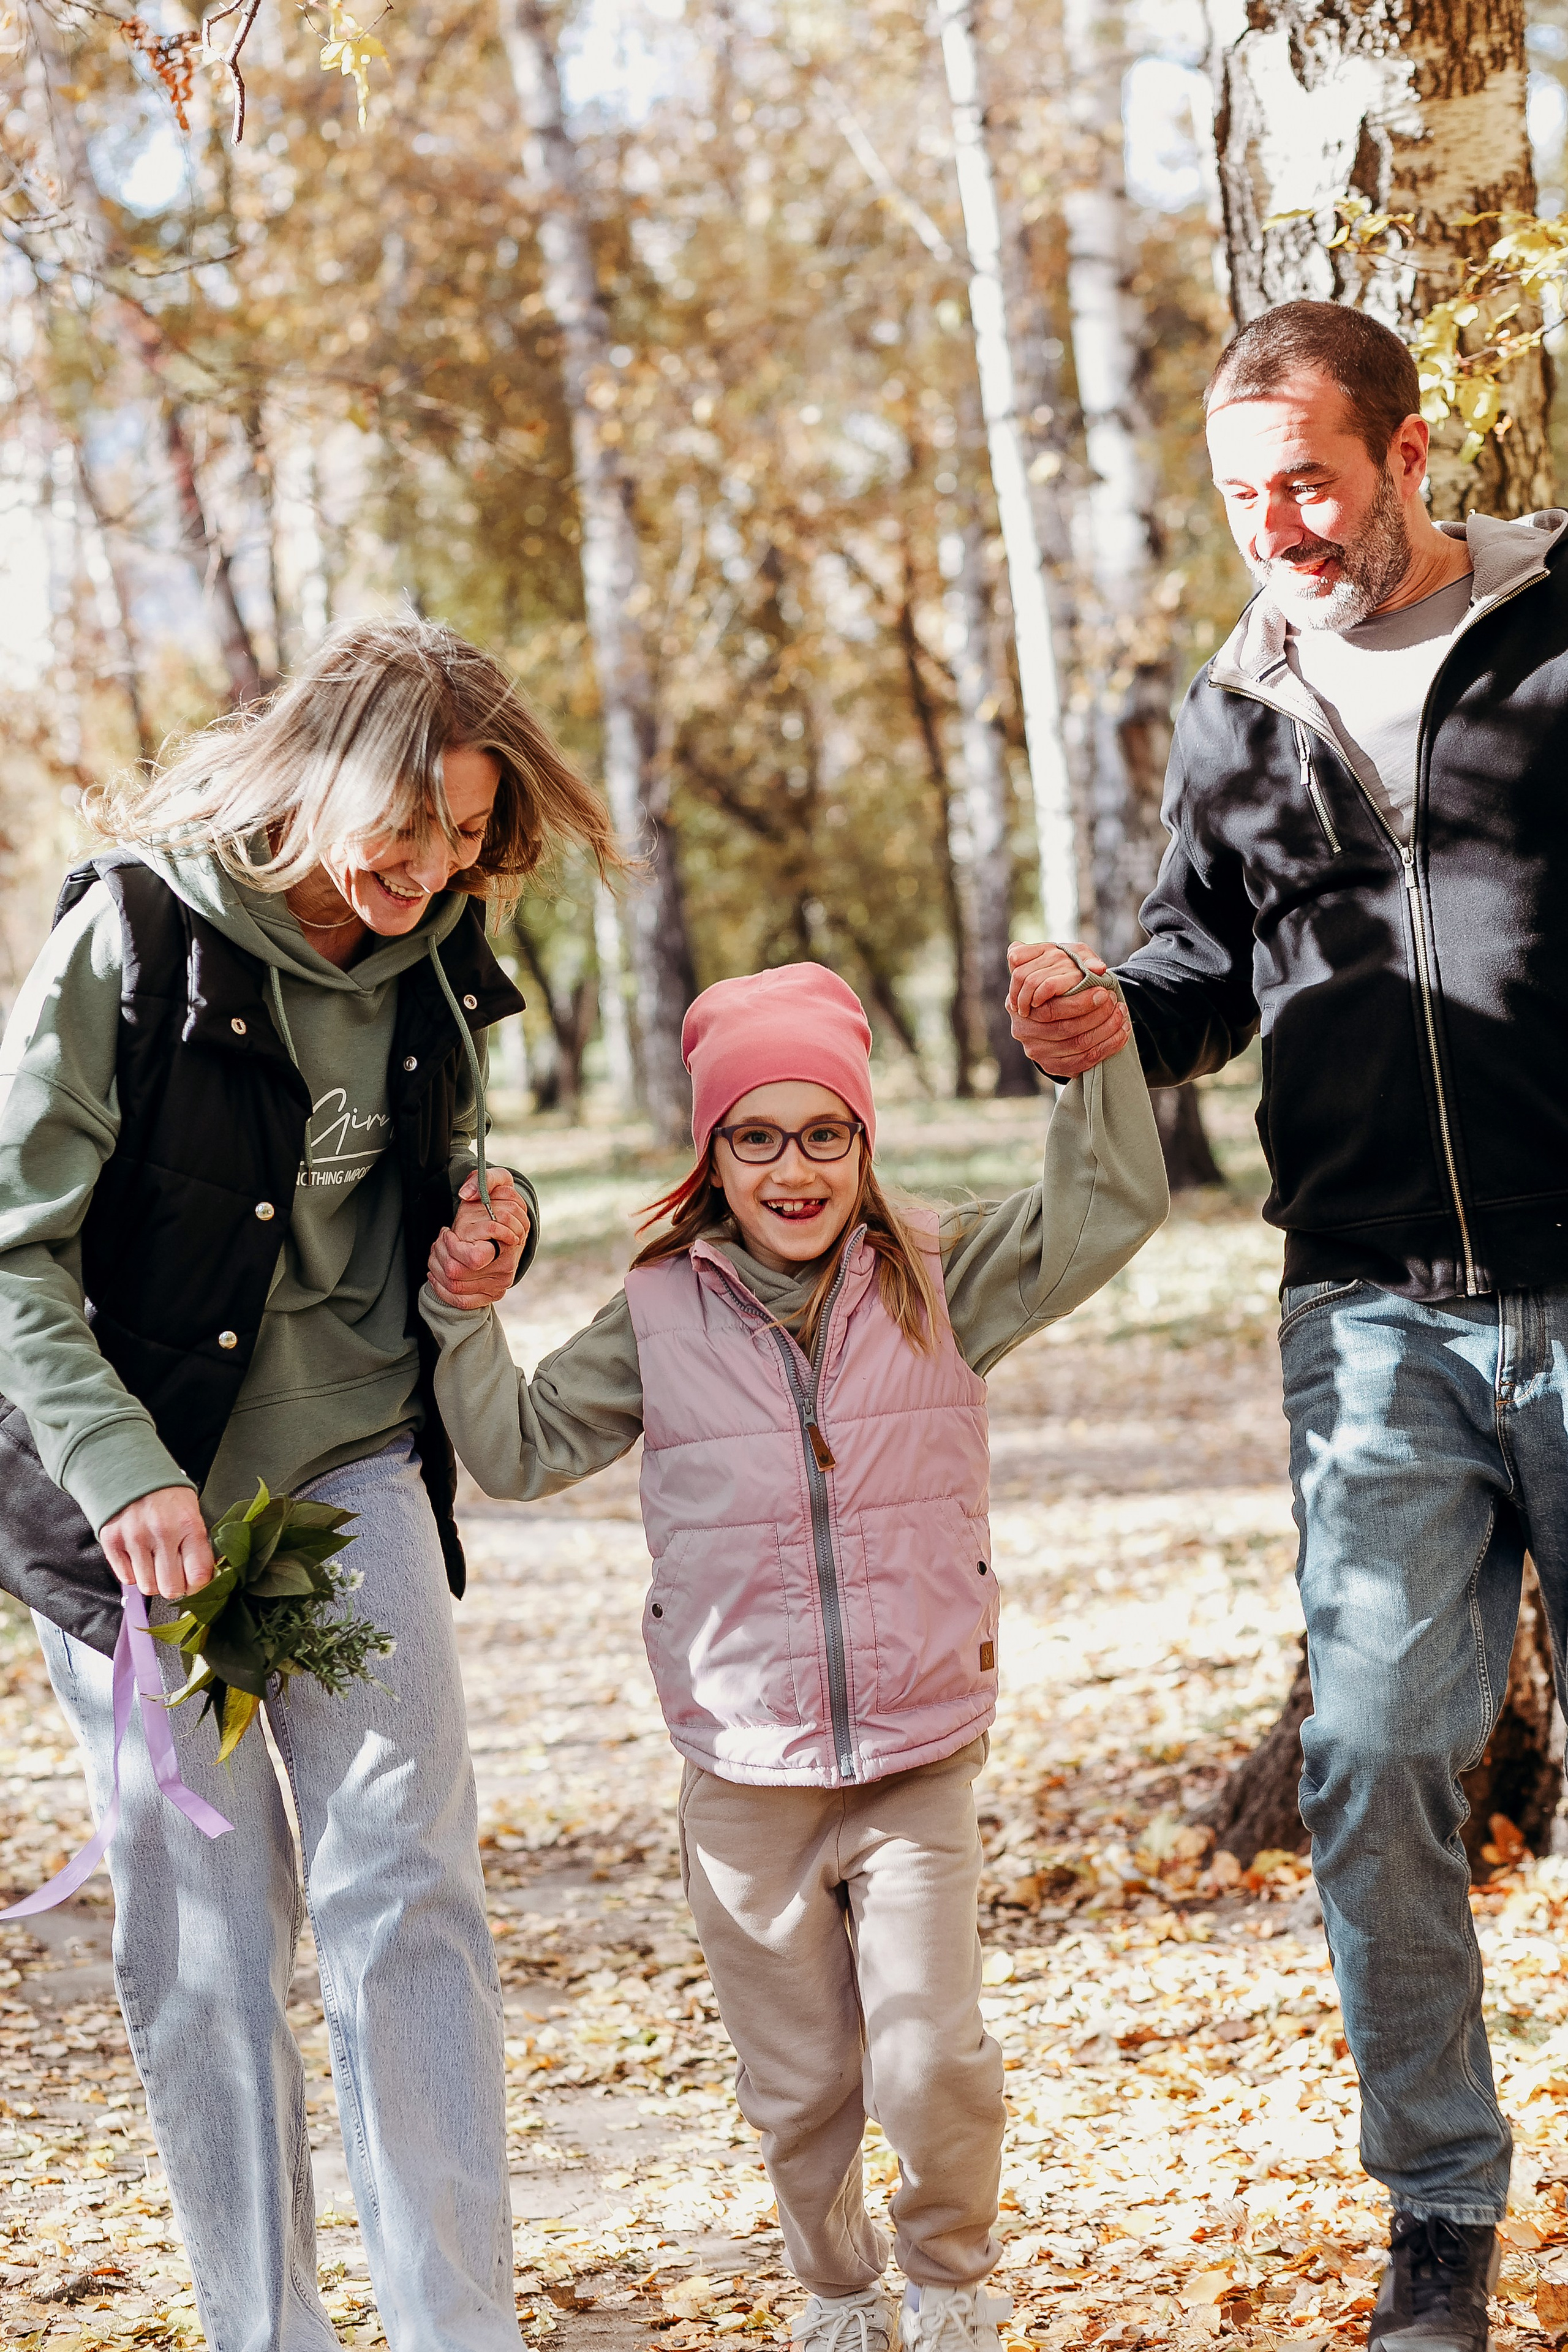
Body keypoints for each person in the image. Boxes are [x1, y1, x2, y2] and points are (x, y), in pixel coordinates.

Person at [1006, 296, 1568, 2352]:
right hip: (1370, 1320)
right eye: (1248, 498)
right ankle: (1440, 2212)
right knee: (1375, 1754)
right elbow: (1199, 967)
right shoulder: (1235, 712)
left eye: (1313, 480)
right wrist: (1112, 1019)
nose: (1283, 525)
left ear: (1417, 454)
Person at [0, 616, 615, 2352]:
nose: (427, 874)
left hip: (352, 1463)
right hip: (139, 1507)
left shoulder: (434, 952)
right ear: (307, 782)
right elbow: (12, 1259)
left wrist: (490, 1233)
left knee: (408, 1893)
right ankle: (265, 2333)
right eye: (400, 833)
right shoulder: (132, 936)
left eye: (465, 838)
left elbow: (430, 1172)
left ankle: (456, 2333)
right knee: (205, 1936)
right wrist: (123, 1470)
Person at [419, 955, 1167, 2352]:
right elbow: (516, 1450)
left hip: (914, 1752)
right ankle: (836, 2290)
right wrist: (463, 1314)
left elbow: (1112, 1202)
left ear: (863, 1142)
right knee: (800, 2082)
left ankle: (949, 2270)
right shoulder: (656, 1312)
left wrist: (1087, 1062)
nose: (793, 1167)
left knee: (931, 2051)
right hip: (742, 1779)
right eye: (753, 1137)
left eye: (824, 1132)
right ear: (711, 1155)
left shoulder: (940, 1278)